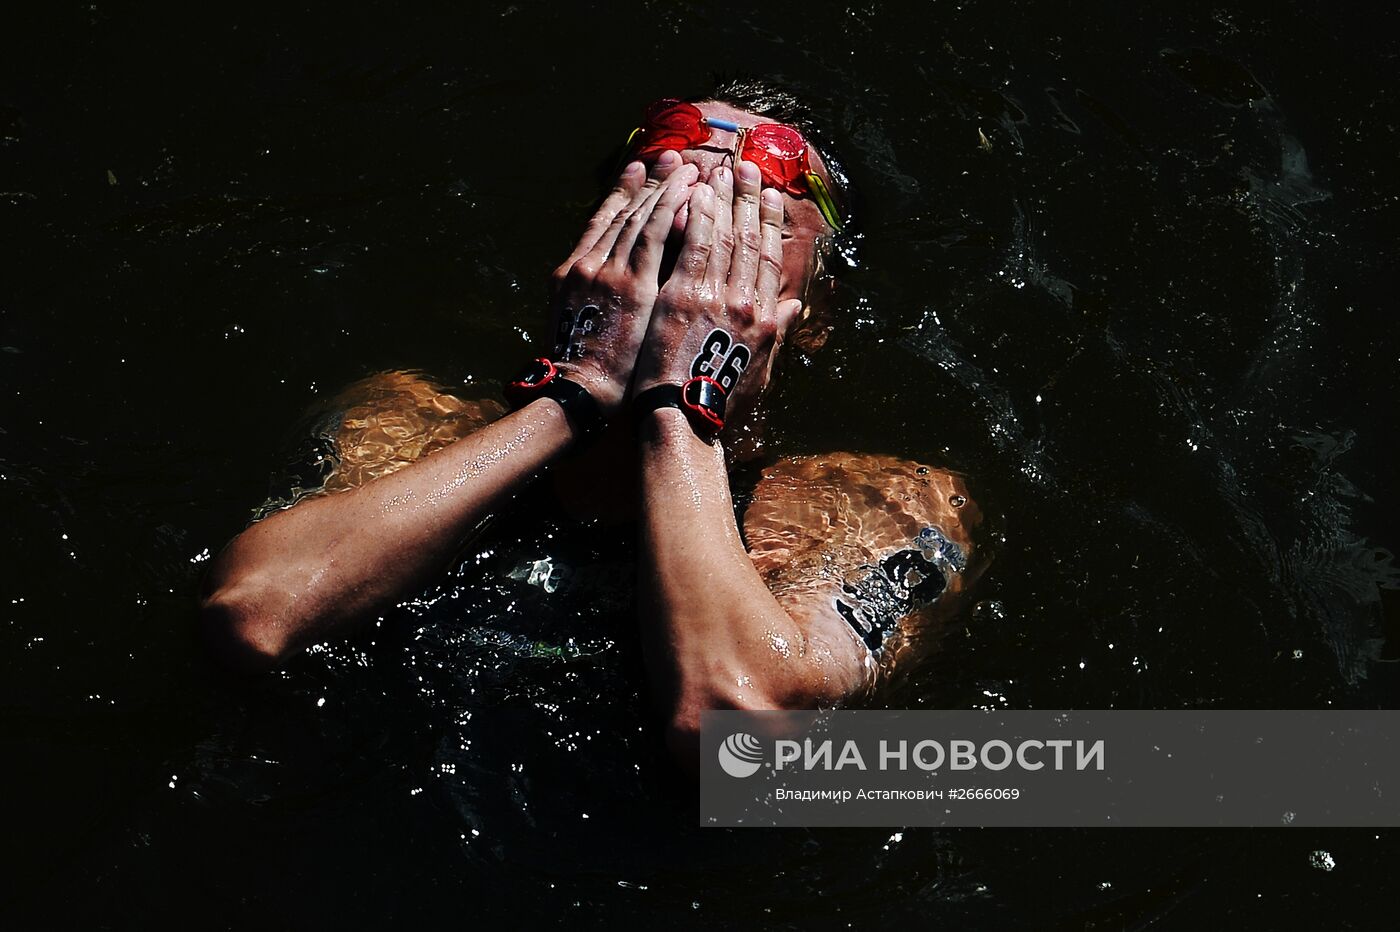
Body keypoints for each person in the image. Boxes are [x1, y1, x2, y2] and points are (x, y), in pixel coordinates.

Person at [200, 81, 989, 769]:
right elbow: (255, 613)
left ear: (811, 319)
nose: (694, 245)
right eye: (662, 205)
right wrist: (578, 391)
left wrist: (682, 412)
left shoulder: (874, 503)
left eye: (751, 227)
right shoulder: (416, 422)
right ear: (590, 250)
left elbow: (741, 736)